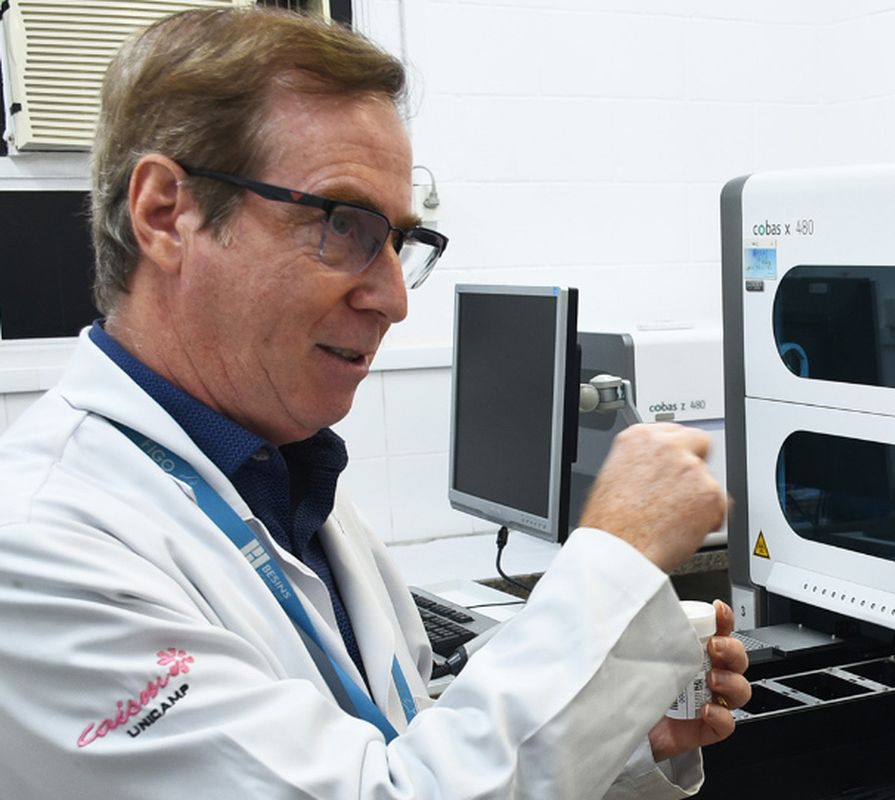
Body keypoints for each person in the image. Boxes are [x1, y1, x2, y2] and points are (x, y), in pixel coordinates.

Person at [0, 7, 748, 798]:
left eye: (398, 241)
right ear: (165, 214)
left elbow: (402, 740)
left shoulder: (285, 478)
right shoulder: (41, 556)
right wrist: (617, 559)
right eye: (343, 224)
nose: (394, 298)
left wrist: (613, 734)